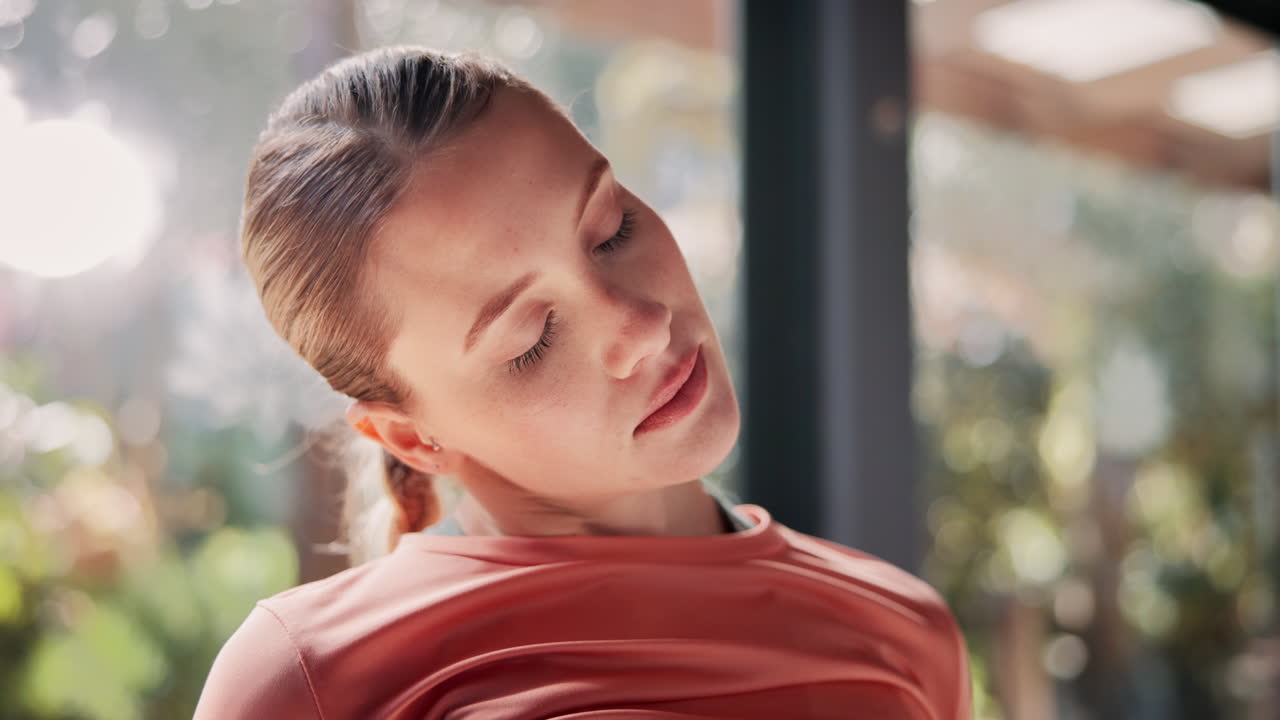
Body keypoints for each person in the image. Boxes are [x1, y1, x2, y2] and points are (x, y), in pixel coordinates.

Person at [193, 45, 971, 720]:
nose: (643, 325)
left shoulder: (903, 628)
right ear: (411, 438)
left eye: (612, 230)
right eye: (533, 339)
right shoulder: (307, 682)